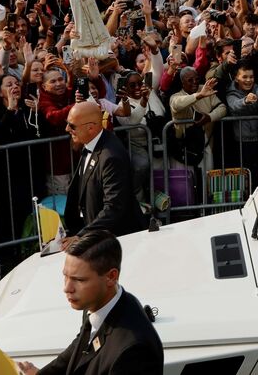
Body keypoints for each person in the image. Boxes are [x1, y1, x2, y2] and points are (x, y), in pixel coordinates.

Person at [16, 229, 163, 375]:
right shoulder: (98, 303)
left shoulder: (133, 353)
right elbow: (80, 346)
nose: (67, 288)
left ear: (111, 277)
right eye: (65, 276)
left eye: (79, 280)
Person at [63, 101, 145, 239]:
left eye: (72, 126)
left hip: (119, 241)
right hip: (99, 237)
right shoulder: (91, 144)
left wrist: (82, 236)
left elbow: (114, 207)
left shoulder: (111, 156)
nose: (66, 129)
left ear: (90, 128)